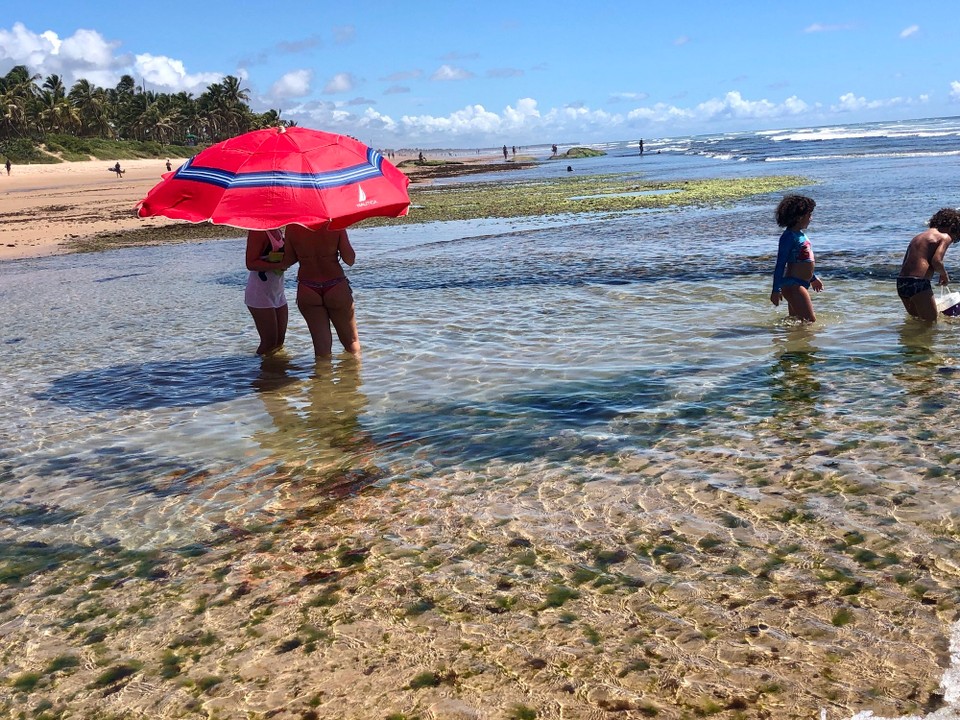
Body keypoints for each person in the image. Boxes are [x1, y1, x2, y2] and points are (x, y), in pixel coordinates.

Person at [283, 223, 360, 357]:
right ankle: (353, 376)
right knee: (351, 343)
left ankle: (323, 377)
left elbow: (288, 260)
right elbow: (350, 260)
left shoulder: (292, 227)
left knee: (322, 350)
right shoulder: (335, 224)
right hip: (335, 285)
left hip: (308, 287)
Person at [897, 208, 960, 321]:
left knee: (917, 321)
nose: (954, 237)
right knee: (930, 322)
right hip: (918, 283)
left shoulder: (918, 237)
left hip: (902, 282)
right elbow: (936, 261)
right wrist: (944, 275)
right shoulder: (945, 237)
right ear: (952, 227)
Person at [770, 194, 822, 323]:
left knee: (797, 323)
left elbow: (802, 261)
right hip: (794, 285)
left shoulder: (800, 235)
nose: (811, 218)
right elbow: (780, 264)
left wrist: (813, 278)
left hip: (799, 284)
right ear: (799, 218)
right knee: (810, 322)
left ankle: (790, 341)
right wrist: (776, 289)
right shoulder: (788, 237)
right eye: (809, 215)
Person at [244, 228, 289, 355]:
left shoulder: (278, 230)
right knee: (269, 342)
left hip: (278, 292)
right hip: (259, 293)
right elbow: (250, 263)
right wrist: (277, 265)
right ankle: (259, 372)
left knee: (279, 342)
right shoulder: (258, 231)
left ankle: (276, 372)